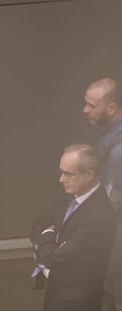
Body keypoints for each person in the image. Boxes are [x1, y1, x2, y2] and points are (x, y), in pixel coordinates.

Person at [30, 144, 116, 311]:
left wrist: (47, 235)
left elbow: (56, 259)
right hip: (57, 289)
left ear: (89, 175)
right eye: (61, 172)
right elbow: (38, 223)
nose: (61, 179)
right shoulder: (68, 195)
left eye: (68, 174)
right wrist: (50, 240)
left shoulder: (99, 216)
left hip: (76, 302)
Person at [84, 78, 122, 311]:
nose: (85, 109)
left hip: (117, 236)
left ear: (111, 108)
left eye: (91, 105)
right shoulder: (109, 134)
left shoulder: (119, 149)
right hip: (110, 231)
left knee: (114, 296)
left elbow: (114, 201)